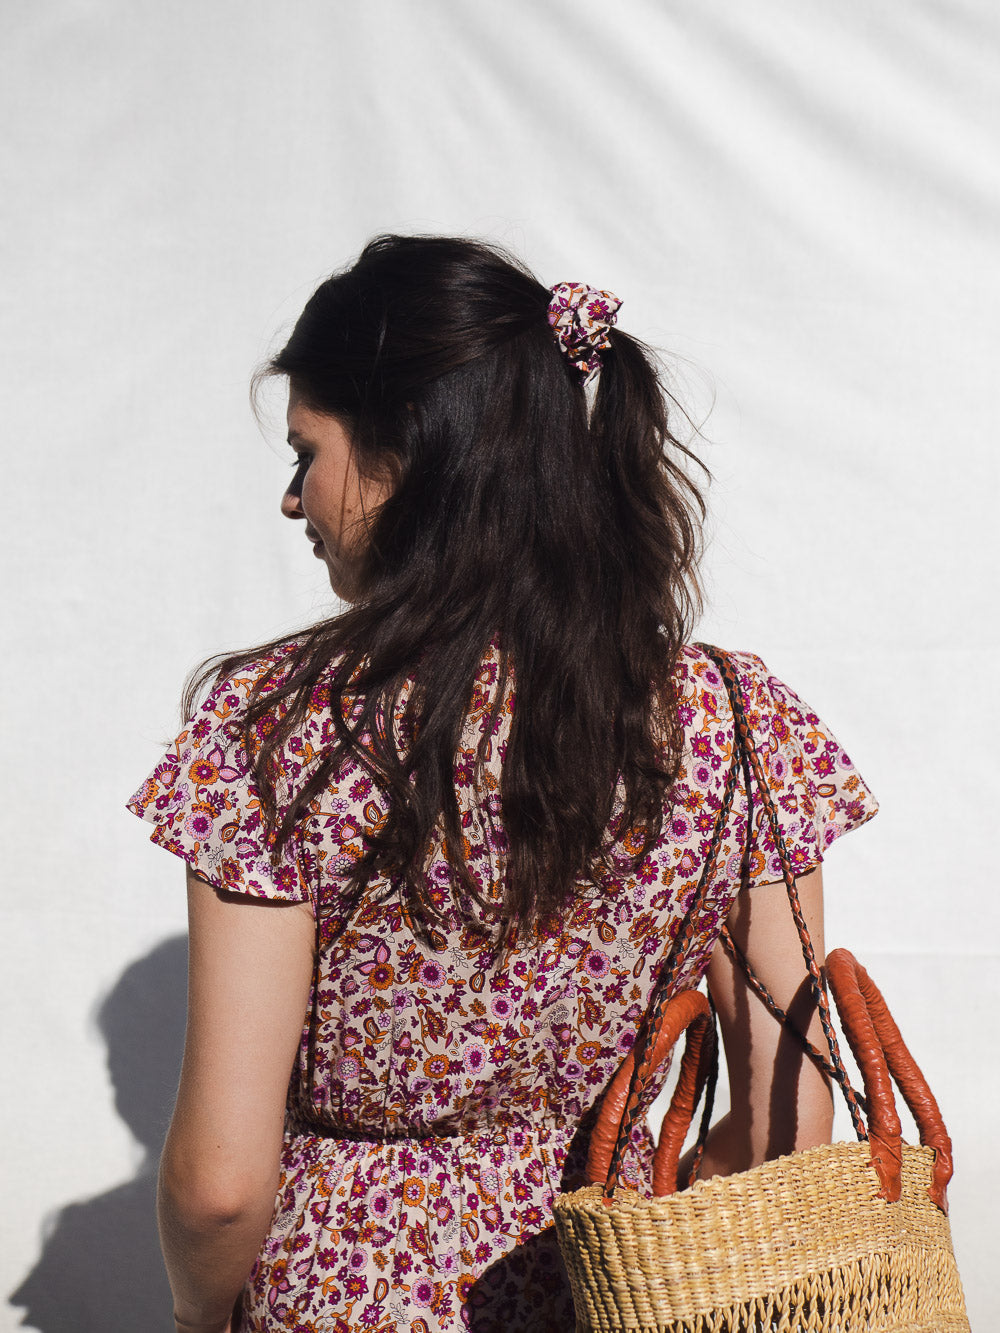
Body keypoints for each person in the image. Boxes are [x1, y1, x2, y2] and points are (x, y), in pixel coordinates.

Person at [127, 235, 878, 1333]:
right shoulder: (737, 723)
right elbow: (787, 1122)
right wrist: (646, 1232)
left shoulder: (282, 735)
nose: (295, 500)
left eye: (306, 453)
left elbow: (219, 1186)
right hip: (611, 1297)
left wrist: (200, 1321)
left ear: (407, 451)